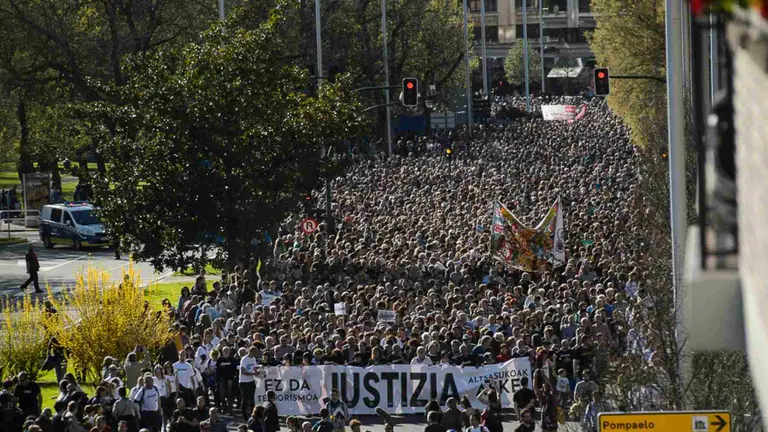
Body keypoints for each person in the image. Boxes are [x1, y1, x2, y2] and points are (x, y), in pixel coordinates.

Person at [239, 346, 259, 422]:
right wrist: (253, 373)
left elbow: (255, 368)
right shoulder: (244, 359)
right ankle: (244, 415)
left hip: (251, 381)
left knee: (252, 399)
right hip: (243, 382)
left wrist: (259, 370)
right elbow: (243, 372)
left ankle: (252, 415)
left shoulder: (253, 359)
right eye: (255, 352)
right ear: (251, 352)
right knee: (245, 398)